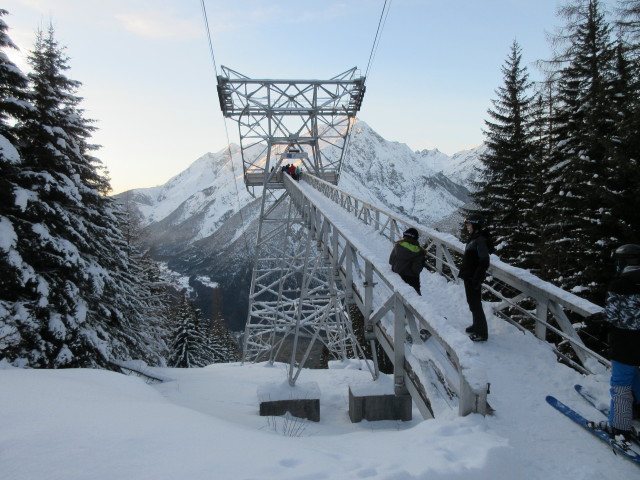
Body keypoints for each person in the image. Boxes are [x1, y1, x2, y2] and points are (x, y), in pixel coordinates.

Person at [591, 244, 640, 441]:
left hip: (625, 341)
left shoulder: (619, 284)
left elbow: (613, 314)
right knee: (634, 375)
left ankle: (619, 426)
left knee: (620, 384)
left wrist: (599, 319)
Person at [458, 216, 491, 342]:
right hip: (470, 276)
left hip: (473, 277)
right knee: (472, 302)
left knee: (476, 304)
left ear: (475, 226)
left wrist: (477, 277)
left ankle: (482, 333)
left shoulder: (480, 240)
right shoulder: (475, 239)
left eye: (469, 225)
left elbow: (484, 260)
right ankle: (476, 325)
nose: (467, 227)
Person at [389, 227, 425, 295]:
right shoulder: (418, 252)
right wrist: (423, 260)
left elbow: (391, 261)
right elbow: (416, 270)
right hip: (411, 282)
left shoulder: (397, 246)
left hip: (396, 278)